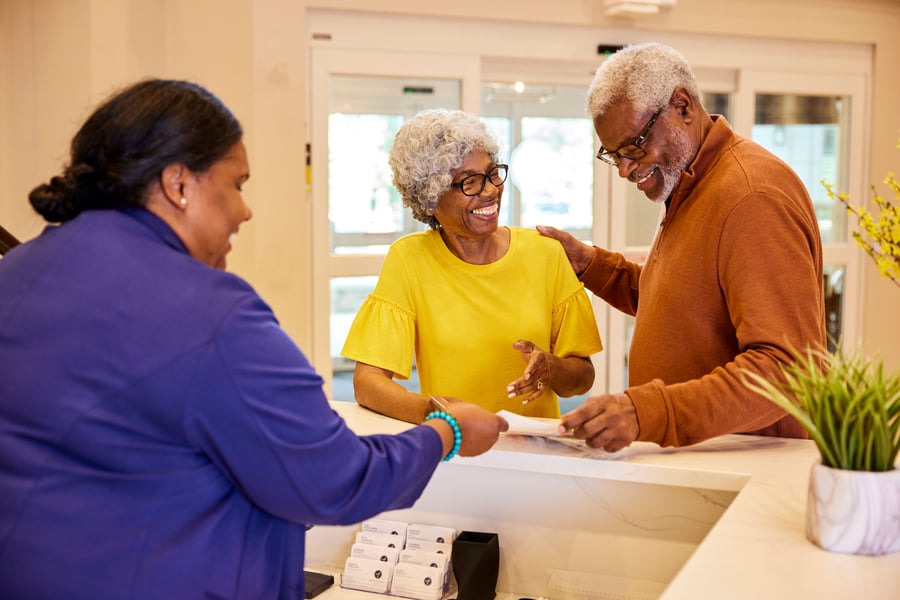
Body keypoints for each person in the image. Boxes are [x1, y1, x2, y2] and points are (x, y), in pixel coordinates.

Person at [0, 79, 508, 599]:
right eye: (237, 184)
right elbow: (337, 481)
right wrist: (447, 433)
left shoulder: (15, 274)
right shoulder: (208, 312)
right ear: (179, 183)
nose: (245, 211)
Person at [540, 42, 826, 452]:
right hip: (705, 457)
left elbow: (784, 369)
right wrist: (592, 264)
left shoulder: (750, 195)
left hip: (748, 464)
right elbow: (686, 306)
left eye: (634, 146)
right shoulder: (693, 185)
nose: (624, 170)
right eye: (613, 154)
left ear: (682, 105)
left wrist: (649, 412)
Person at [341, 109, 603, 424]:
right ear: (431, 198)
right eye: (470, 182)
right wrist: (432, 411)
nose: (491, 190)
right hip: (455, 446)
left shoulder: (544, 253)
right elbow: (367, 383)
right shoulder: (410, 260)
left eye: (493, 174)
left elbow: (583, 377)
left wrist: (553, 368)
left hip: (535, 454)